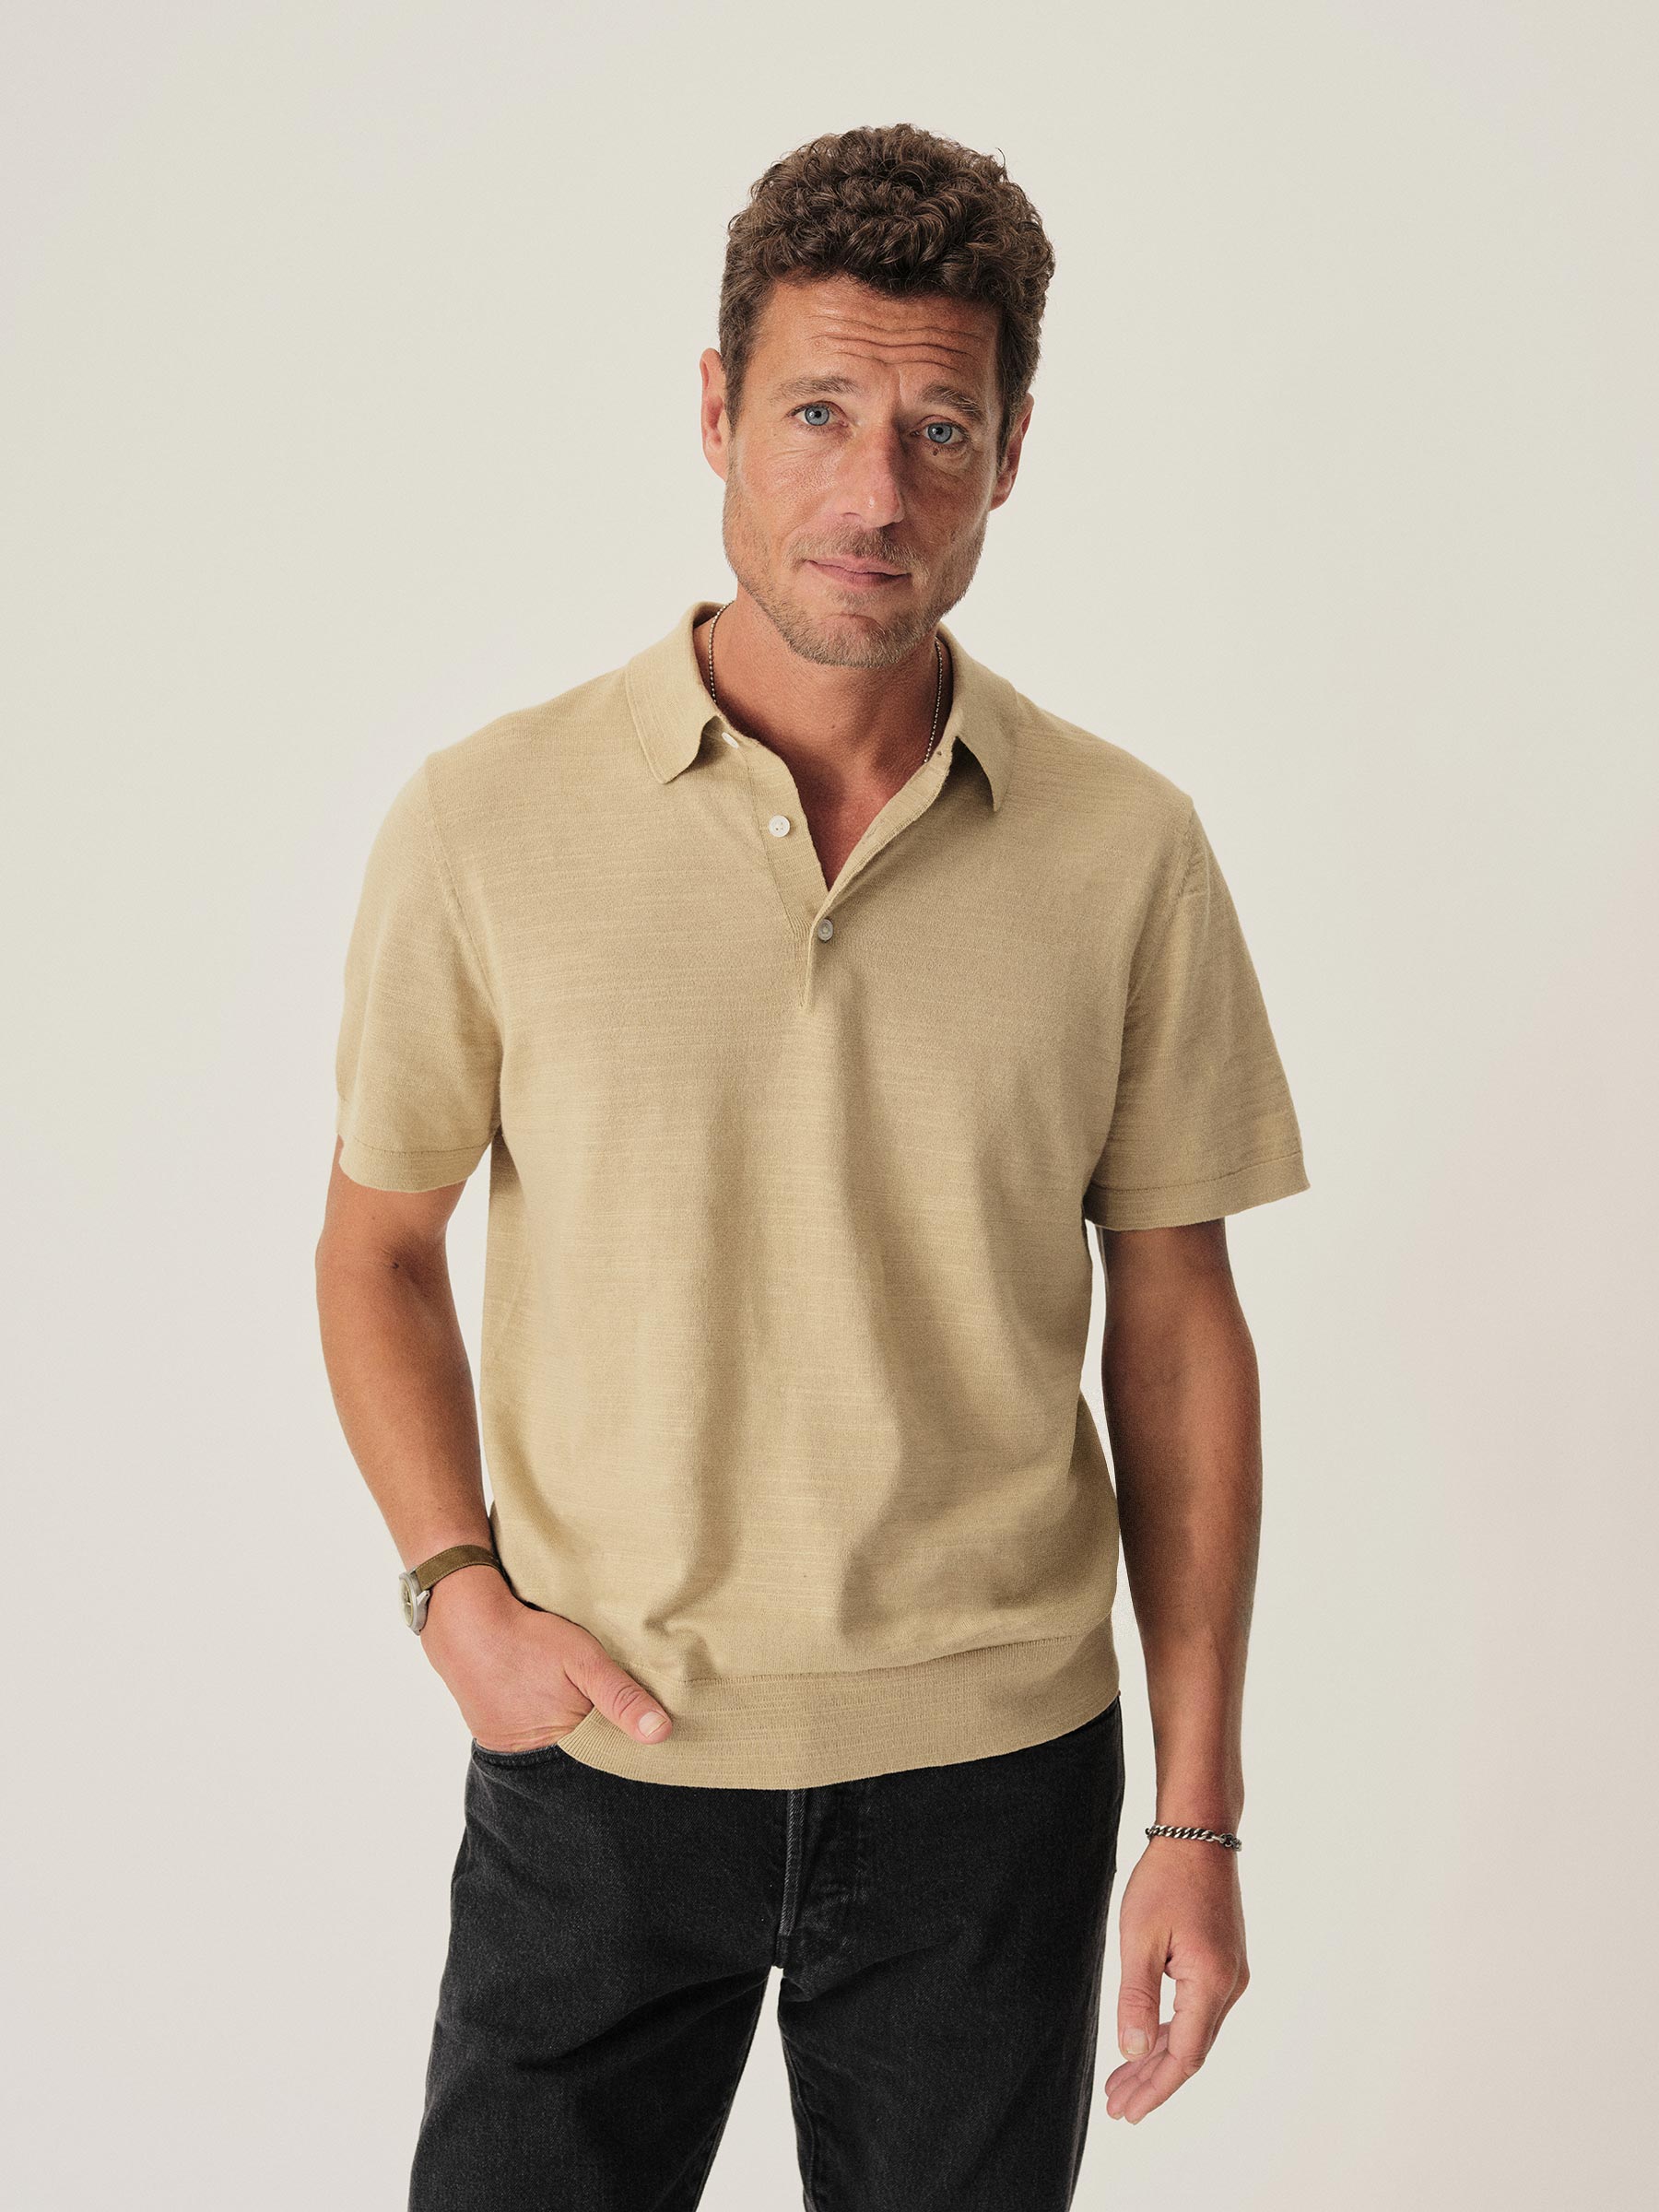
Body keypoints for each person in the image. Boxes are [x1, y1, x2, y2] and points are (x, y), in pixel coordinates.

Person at [315, 121, 1310, 2212]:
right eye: (820, 414)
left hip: (992, 1782)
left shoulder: (1127, 850)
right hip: (602, 1752)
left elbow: (1177, 1324)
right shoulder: (487, 822)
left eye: (941, 430)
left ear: (1011, 454)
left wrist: (1197, 1820)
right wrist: (452, 1591)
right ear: (716, 413)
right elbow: (377, 1246)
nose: (877, 494)